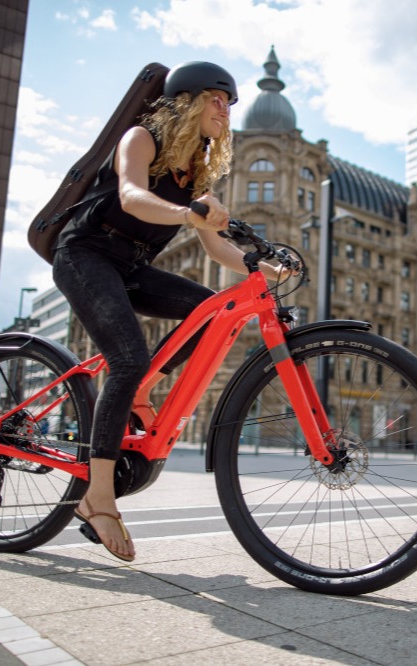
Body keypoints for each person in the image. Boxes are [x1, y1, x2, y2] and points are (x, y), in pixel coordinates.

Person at [52, 62, 289, 562]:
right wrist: (187, 213)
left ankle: (140, 390)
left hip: (131, 266)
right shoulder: (141, 139)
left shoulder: (197, 172)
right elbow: (132, 197)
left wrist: (268, 269)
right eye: (216, 99)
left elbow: (217, 249)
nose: (225, 110)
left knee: (210, 309)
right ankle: (97, 499)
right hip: (86, 255)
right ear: (186, 101)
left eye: (229, 104)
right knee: (128, 359)